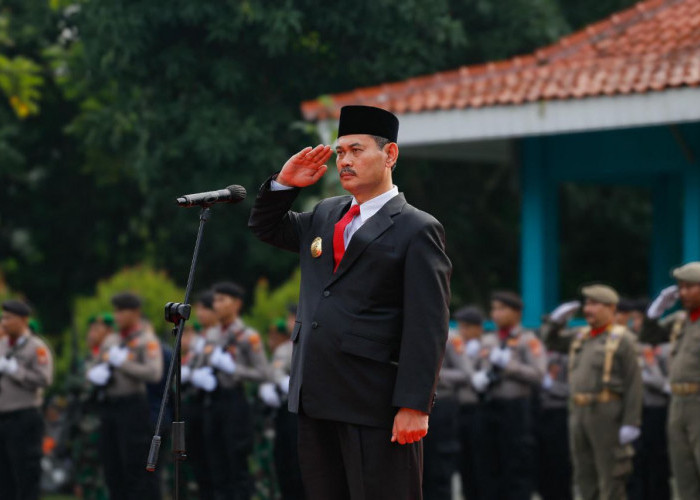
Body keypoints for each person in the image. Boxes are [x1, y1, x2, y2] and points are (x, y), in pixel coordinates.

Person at [249, 105, 452, 499]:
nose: (345, 161)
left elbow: (428, 324)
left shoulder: (417, 228)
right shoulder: (327, 213)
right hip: (316, 395)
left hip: (374, 401)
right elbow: (266, 227)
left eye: (356, 150)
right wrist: (283, 185)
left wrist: (415, 405)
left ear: (389, 154)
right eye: (340, 152)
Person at [557, 285, 642, 500]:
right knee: (584, 476)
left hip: (607, 414)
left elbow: (634, 383)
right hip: (579, 411)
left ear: (611, 308)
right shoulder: (581, 336)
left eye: (595, 304)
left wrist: (631, 422)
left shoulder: (623, 339)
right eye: (586, 303)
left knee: (611, 476)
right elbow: (551, 340)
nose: (588, 309)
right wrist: (556, 320)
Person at [190, 281, 268, 500]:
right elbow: (198, 363)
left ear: (237, 304)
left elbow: (263, 373)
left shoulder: (247, 335)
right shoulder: (210, 335)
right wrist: (197, 373)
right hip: (211, 403)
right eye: (215, 300)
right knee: (215, 466)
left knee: (236, 466)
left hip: (234, 403)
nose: (217, 304)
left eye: (222, 300)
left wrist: (234, 369)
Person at [85, 292, 163, 500]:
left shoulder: (146, 340)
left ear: (135, 313)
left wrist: (124, 364)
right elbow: (96, 362)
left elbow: (154, 372)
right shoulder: (111, 339)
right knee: (112, 465)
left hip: (132, 406)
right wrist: (94, 373)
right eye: (116, 310)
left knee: (134, 465)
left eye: (122, 311)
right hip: (109, 407)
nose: (117, 315)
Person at [470, 291, 545, 500]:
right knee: (488, 465)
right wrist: (478, 377)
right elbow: (474, 369)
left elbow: (539, 374)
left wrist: (509, 366)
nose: (496, 314)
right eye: (494, 309)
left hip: (516, 409)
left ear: (517, 313)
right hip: (488, 407)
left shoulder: (528, 340)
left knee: (516, 465)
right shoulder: (487, 340)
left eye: (502, 309)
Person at [641, 262, 700, 500]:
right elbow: (649, 336)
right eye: (681, 287)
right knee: (683, 475)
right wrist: (654, 314)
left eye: (690, 287)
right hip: (677, 403)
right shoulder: (679, 320)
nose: (683, 293)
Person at [0, 299, 53, 500]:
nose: (4, 322)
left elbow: (44, 379)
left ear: (23, 320)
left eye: (9, 318)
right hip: (2, 418)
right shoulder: (2, 345)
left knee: (26, 475)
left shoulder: (36, 347)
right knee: (4, 478)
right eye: (3, 317)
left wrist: (16, 371)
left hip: (23, 417)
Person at [538, 301, 581, 500]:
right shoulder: (539, 351)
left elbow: (576, 387)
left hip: (561, 411)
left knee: (561, 466)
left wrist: (551, 386)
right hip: (540, 413)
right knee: (543, 467)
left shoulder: (569, 354)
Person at [258, 317, 304, 499]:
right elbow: (274, 372)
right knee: (283, 460)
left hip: (302, 409)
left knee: (297, 462)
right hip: (284, 409)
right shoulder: (285, 348)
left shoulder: (302, 345)